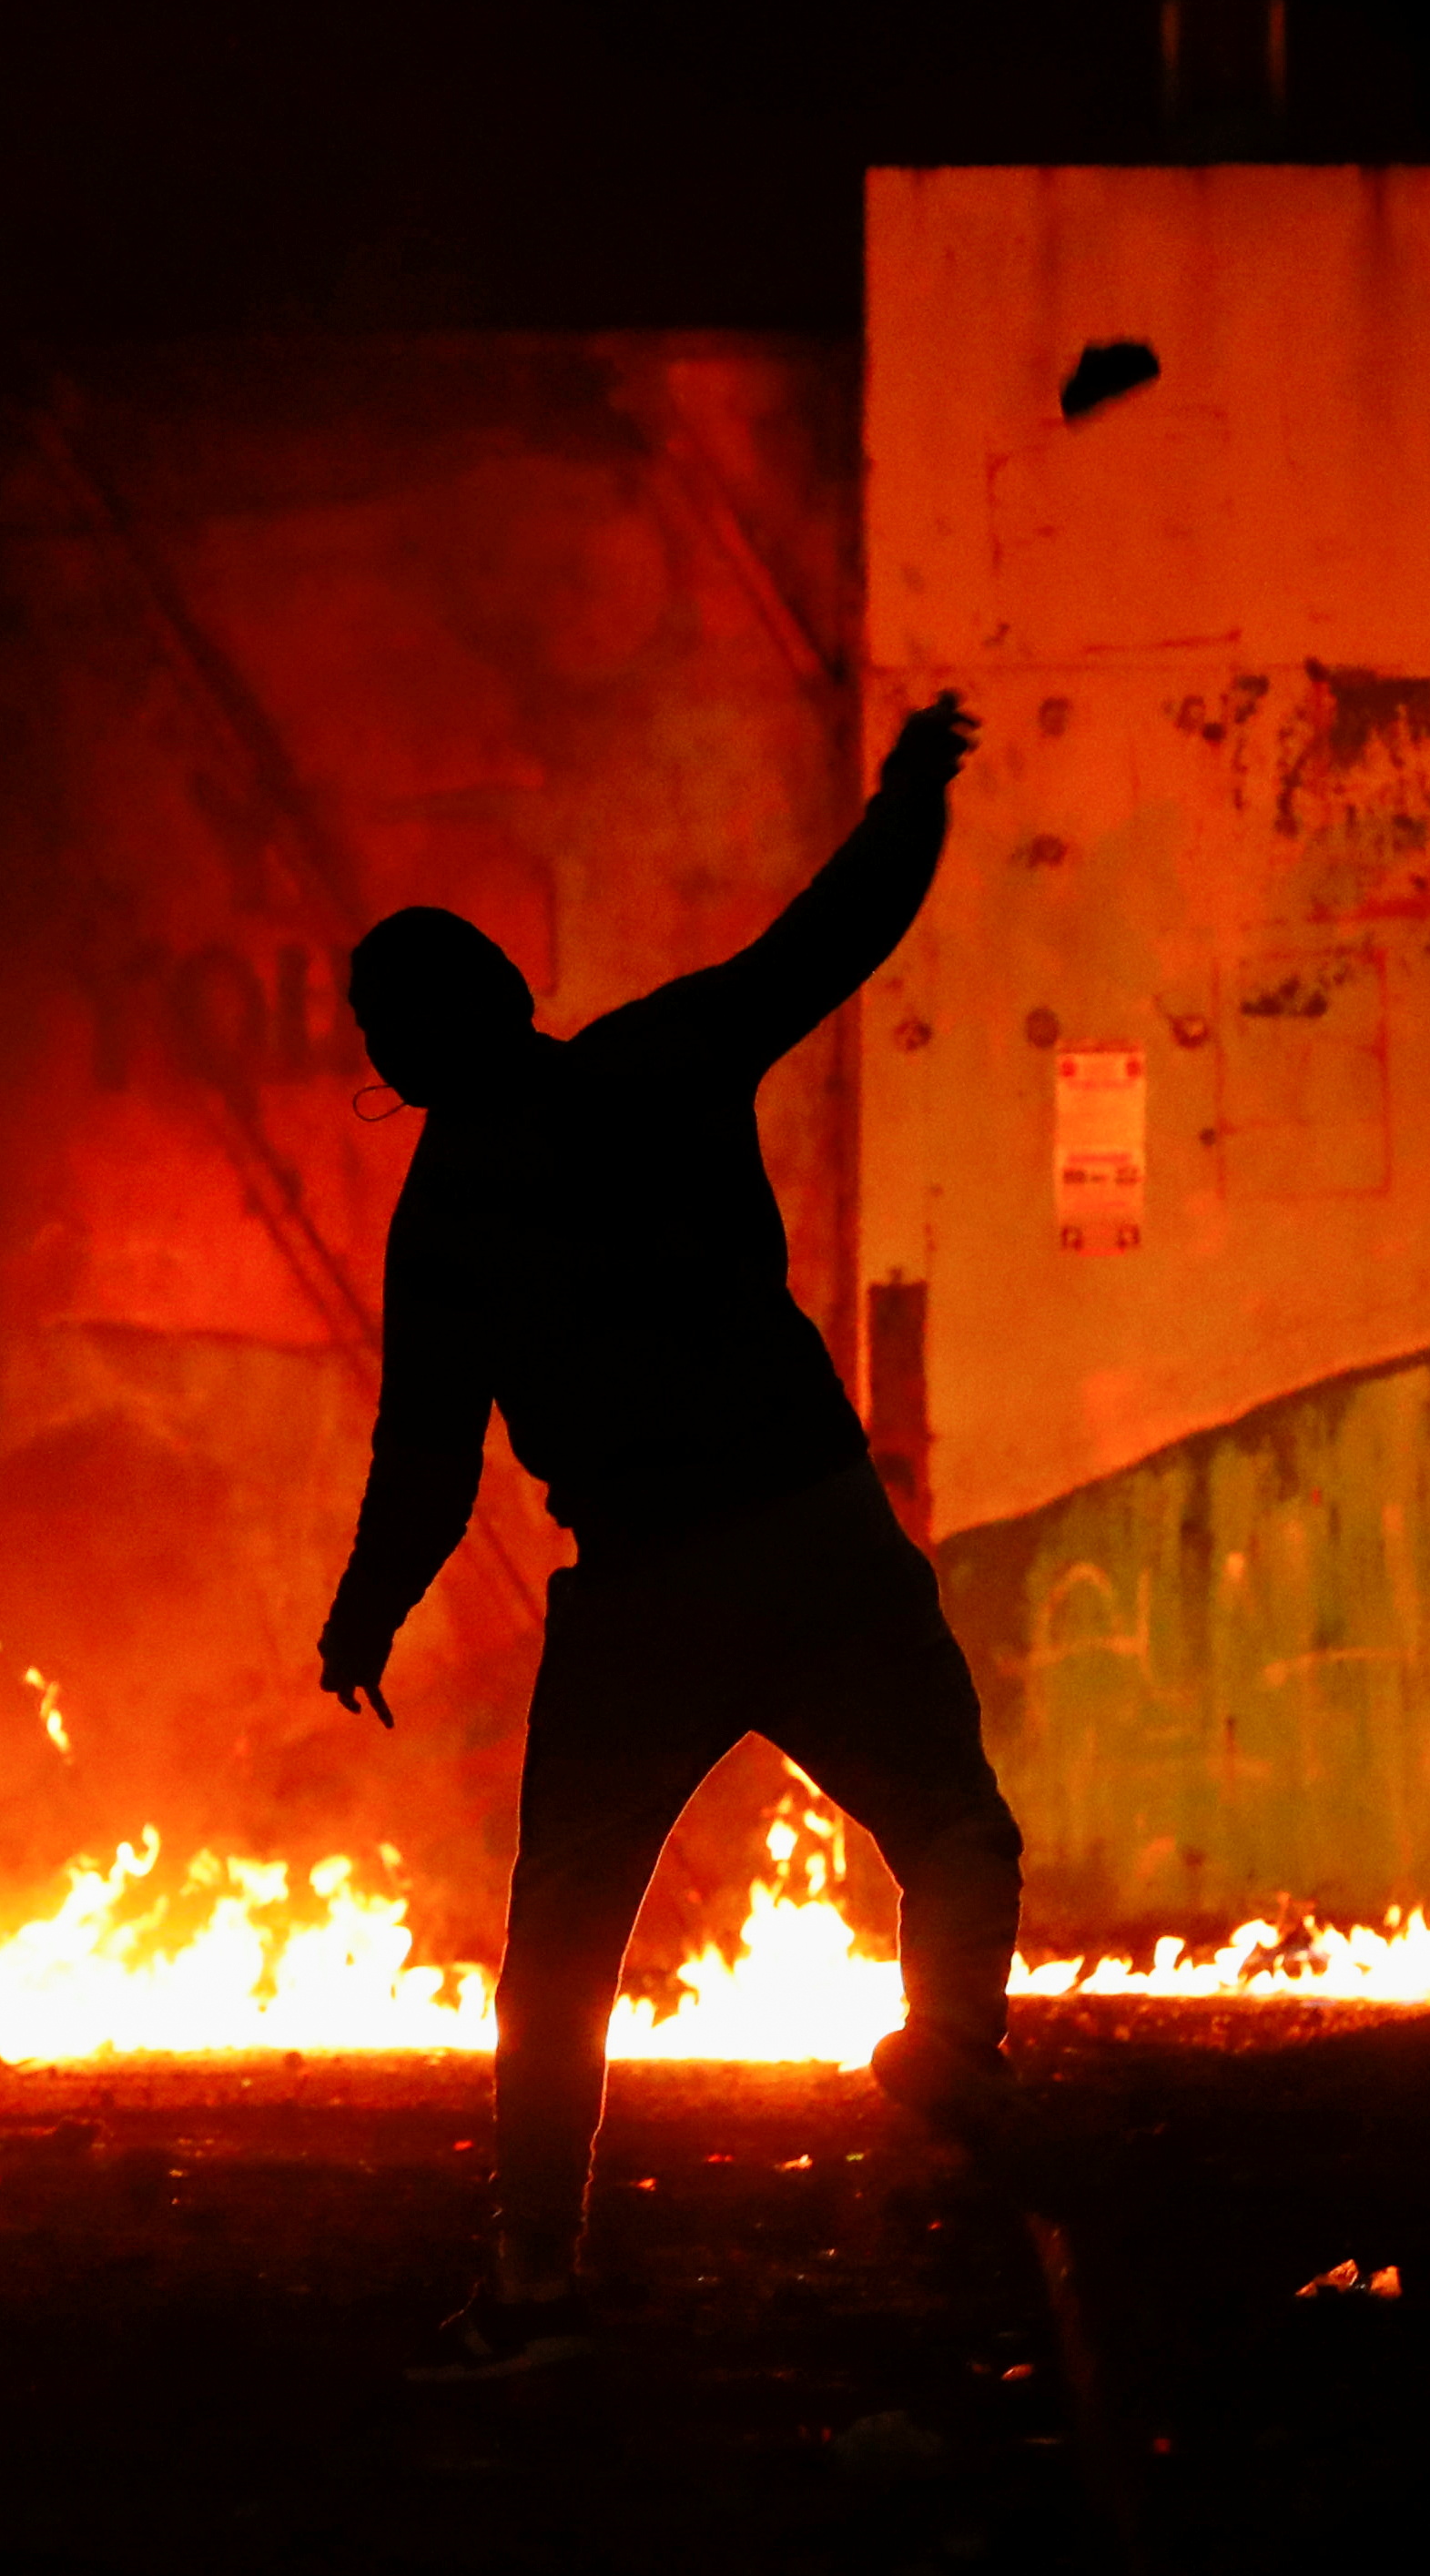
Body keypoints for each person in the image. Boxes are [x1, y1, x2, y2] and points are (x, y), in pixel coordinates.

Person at [321, 693, 1027, 2377]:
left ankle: (533, 2274)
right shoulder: (664, 1057)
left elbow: (426, 1453)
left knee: (560, 1940)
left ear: (400, 1059)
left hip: (643, 1578)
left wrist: (366, 1611)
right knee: (952, 1827)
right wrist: (907, 799)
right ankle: (946, 2040)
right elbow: (830, 938)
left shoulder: (452, 1211)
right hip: (810, 1521)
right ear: (511, 1000)